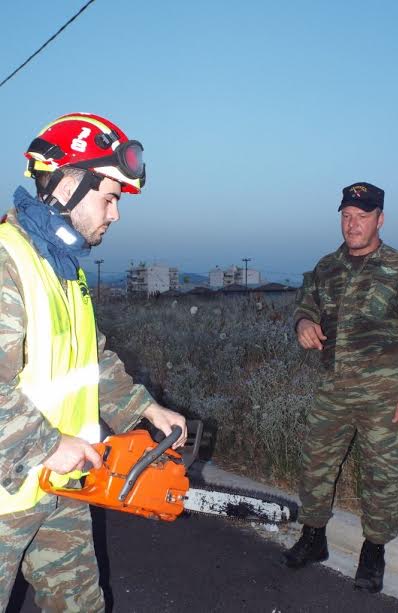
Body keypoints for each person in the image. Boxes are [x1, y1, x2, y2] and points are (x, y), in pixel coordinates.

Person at [0, 112, 187, 611]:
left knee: (82, 605)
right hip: (7, 492)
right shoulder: (6, 261)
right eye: (110, 197)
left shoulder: (65, 273)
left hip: (59, 483)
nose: (116, 214)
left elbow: (92, 360)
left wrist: (149, 411)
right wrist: (45, 443)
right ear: (66, 184)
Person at [284, 182, 398, 593]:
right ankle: (313, 537)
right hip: (332, 390)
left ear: (380, 219)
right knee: (315, 464)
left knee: (383, 476)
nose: (353, 225)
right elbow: (305, 306)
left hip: (385, 397)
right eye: (347, 216)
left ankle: (374, 551)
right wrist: (303, 324)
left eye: (363, 217)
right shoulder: (325, 267)